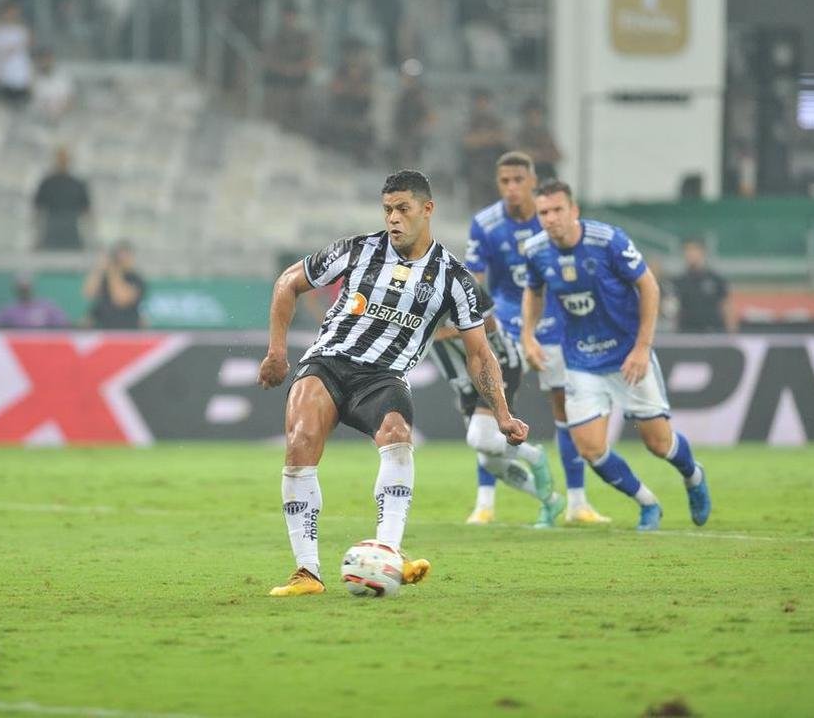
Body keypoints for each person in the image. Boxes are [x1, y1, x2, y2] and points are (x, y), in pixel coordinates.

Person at [257, 169, 529, 596]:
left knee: (398, 437)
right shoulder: (356, 250)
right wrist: (277, 352)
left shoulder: (454, 277)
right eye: (387, 210)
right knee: (301, 440)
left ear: (427, 209)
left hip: (383, 377)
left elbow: (480, 353)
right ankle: (307, 572)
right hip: (328, 364)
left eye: (403, 209)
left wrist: (503, 414)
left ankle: (387, 552)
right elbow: (288, 282)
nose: (393, 219)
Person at [520, 180, 711, 531]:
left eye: (558, 210)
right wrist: (527, 336)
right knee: (590, 449)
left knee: (659, 444)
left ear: (574, 210)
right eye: (544, 212)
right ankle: (647, 503)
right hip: (581, 361)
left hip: (627, 356)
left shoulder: (608, 240)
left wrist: (642, 348)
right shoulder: (535, 250)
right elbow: (533, 292)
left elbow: (648, 285)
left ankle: (693, 475)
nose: (551, 218)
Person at [464, 152, 608, 527]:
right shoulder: (485, 224)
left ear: (532, 181)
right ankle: (484, 503)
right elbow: (473, 282)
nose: (512, 188)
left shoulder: (552, 218)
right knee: (494, 405)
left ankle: (577, 503)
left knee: (564, 409)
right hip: (506, 325)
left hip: (556, 324)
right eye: (505, 181)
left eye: (518, 180)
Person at [428, 279, 564, 524]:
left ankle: (533, 455)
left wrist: (439, 333)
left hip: (498, 362)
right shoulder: (409, 289)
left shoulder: (460, 281)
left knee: (478, 438)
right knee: (490, 461)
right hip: (464, 377)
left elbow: (489, 324)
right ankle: (551, 501)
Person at [670, 238, 734, 333]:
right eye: (687, 250)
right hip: (687, 332)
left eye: (694, 250)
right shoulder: (678, 281)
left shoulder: (716, 279)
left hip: (713, 331)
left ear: (703, 252)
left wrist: (731, 331)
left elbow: (726, 306)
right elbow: (674, 310)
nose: (690, 254)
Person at [33, 146, 90, 250]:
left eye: (65, 158)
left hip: (71, 227)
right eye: (60, 158)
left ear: (69, 160)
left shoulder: (77, 184)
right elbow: (37, 209)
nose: (62, 161)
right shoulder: (47, 183)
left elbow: (86, 210)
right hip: (51, 227)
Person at [461, 89, 509, 205]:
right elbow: (468, 141)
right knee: (476, 201)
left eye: (484, 101)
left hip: (494, 163)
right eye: (479, 102)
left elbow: (503, 137)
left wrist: (483, 138)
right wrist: (489, 138)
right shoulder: (469, 120)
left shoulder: (495, 120)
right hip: (474, 165)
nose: (482, 105)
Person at [83, 240, 145, 329]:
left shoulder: (136, 279)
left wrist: (113, 270)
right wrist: (100, 267)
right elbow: (89, 293)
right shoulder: (105, 276)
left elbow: (120, 298)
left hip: (126, 328)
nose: (121, 260)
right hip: (103, 327)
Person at [0, 1, 34, 105]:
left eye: (14, 12)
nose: (11, 15)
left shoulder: (22, 31)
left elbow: (26, 54)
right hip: (3, 77)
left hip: (21, 77)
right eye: (8, 12)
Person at [0, 275, 69, 329]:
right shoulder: (9, 310)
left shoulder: (47, 307)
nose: (24, 291)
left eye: (26, 287)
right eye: (21, 288)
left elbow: (63, 324)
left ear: (31, 287)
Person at [516, 98, 562, 182]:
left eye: (538, 114)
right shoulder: (521, 135)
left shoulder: (545, 134)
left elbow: (557, 155)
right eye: (531, 115)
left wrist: (542, 155)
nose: (535, 118)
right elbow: (522, 155)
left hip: (547, 174)